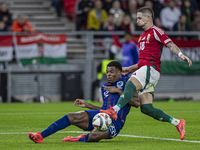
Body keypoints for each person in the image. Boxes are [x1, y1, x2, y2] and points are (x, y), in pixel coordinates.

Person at [100, 6, 192, 141]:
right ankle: (178, 123)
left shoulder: (156, 31)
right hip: (146, 69)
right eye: (136, 18)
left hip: (151, 69)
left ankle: (114, 110)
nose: (137, 21)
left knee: (131, 82)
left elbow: (170, 44)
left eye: (139, 18)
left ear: (148, 18)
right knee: (146, 108)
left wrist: (181, 55)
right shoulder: (141, 36)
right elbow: (142, 62)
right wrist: (129, 68)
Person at [28, 61, 140, 143]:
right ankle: (40, 136)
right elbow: (104, 108)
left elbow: (136, 103)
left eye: (112, 72)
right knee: (72, 116)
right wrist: (87, 105)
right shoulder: (105, 87)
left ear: (120, 72)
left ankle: (78, 139)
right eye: (107, 72)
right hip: (100, 114)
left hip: (115, 122)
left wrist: (118, 91)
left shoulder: (128, 83)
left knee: (94, 136)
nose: (108, 74)